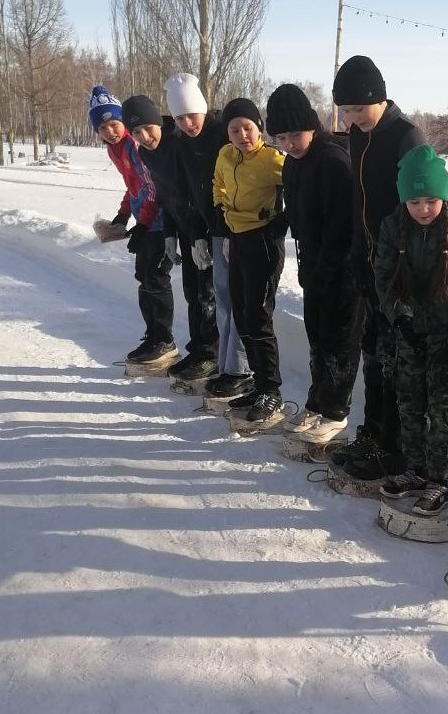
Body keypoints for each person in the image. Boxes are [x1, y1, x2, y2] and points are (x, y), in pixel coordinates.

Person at [372, 145, 448, 514]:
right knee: (409, 401)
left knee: (442, 408)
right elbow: (383, 278)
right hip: (411, 331)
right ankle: (415, 470)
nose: (423, 209)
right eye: (414, 202)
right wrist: (400, 317)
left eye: (430, 200)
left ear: (443, 195)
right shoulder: (394, 227)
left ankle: (438, 481)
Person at [330, 55, 425, 480]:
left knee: (393, 363)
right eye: (345, 111)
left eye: (355, 109)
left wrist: (404, 270)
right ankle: (372, 435)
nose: (350, 118)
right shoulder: (358, 135)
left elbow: (425, 210)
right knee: (371, 354)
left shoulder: (407, 137)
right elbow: (358, 200)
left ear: (378, 98)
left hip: (400, 272)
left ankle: (395, 449)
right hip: (368, 266)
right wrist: (356, 254)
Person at [266, 84, 362, 444]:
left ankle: (336, 413)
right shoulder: (293, 164)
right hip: (314, 266)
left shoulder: (333, 161)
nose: (289, 143)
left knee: (339, 341)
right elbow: (301, 207)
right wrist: (281, 222)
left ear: (311, 127)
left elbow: (342, 224)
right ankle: (317, 402)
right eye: (281, 137)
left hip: (342, 270)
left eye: (294, 134)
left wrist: (328, 269)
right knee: (318, 338)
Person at [166, 72, 252, 399]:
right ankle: (225, 363)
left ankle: (240, 368)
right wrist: (196, 234)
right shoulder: (183, 144)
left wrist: (230, 231)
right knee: (221, 296)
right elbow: (188, 193)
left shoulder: (223, 134)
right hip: (212, 230)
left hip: (236, 229)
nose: (189, 123)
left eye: (193, 114)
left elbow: (237, 185)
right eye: (181, 117)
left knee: (235, 297)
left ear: (203, 108)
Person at [121, 94, 219, 380]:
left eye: (147, 128)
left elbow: (196, 191)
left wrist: (201, 233)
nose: (144, 136)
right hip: (184, 227)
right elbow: (165, 194)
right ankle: (198, 349)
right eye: (136, 133)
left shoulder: (179, 144)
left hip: (204, 227)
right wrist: (170, 235)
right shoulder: (148, 153)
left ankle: (210, 353)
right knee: (192, 291)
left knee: (206, 293)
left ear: (158, 122)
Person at [212, 98, 287, 423]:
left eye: (248, 127)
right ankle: (257, 384)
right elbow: (219, 185)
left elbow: (297, 190)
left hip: (263, 243)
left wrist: (281, 222)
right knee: (241, 313)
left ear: (259, 129)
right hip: (237, 239)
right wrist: (220, 211)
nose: (242, 134)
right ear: (228, 133)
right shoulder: (226, 155)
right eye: (235, 129)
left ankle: (272, 390)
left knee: (258, 316)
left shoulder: (273, 159)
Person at [88, 85, 175, 364]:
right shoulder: (116, 150)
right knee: (143, 277)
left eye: (114, 124)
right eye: (103, 128)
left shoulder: (134, 146)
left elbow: (153, 187)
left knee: (156, 278)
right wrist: (124, 215)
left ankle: (164, 341)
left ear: (123, 122)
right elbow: (133, 186)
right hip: (145, 220)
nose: (110, 131)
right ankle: (152, 335)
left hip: (160, 220)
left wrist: (144, 223)